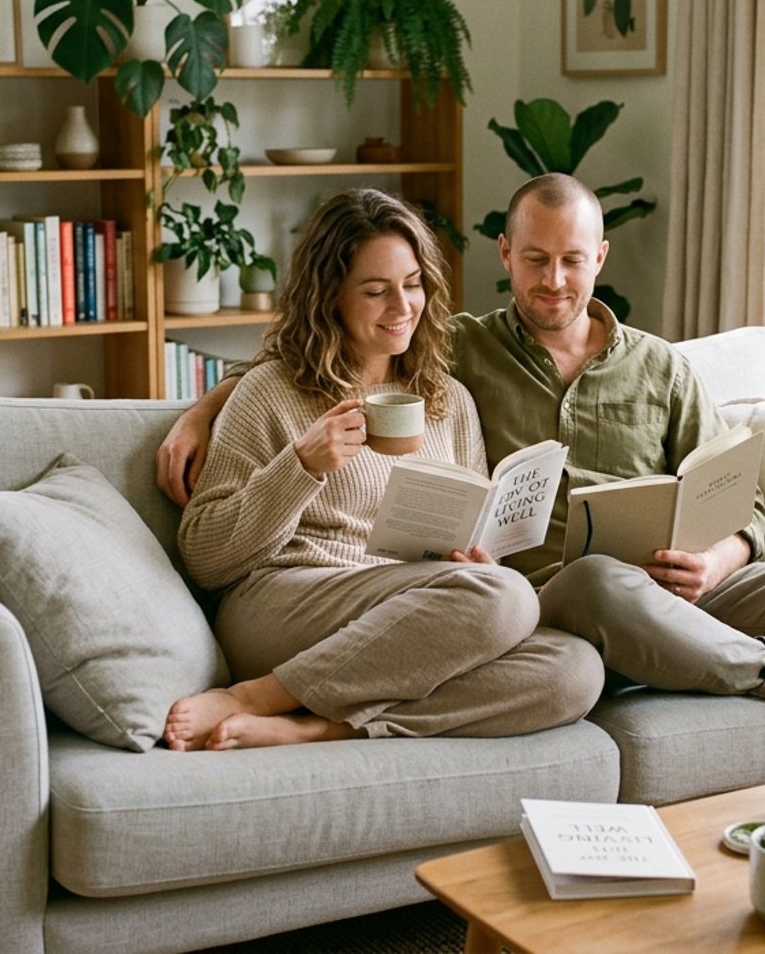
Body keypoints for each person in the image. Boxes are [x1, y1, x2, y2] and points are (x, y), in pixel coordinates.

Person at [162, 175, 765, 757]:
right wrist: (210, 410)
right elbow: (314, 366)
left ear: (599, 257)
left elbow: (740, 497)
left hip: (684, 590)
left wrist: (720, 555)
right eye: (535, 259)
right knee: (575, 586)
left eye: (572, 260)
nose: (553, 280)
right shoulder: (462, 350)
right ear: (505, 255)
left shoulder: (629, 369)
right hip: (549, 595)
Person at [166, 188, 602, 752]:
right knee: (507, 597)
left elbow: (472, 554)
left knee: (574, 670)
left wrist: (476, 562)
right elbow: (205, 559)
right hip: (286, 602)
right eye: (375, 291)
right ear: (330, 295)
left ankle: (326, 725)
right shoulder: (270, 391)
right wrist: (301, 466)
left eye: (412, 285)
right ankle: (257, 696)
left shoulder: (448, 398)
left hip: (404, 616)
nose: (401, 308)